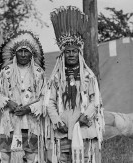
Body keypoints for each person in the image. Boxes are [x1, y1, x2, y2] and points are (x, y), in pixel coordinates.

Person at [44, 6, 104, 163]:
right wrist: (57, 121)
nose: (71, 54)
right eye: (68, 51)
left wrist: (86, 116)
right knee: (63, 159)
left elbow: (95, 101)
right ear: (62, 54)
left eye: (74, 51)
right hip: (63, 128)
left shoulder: (87, 76)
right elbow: (49, 102)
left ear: (79, 53)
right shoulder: (57, 77)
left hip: (84, 128)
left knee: (83, 159)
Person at [0, 30, 46, 163]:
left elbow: (44, 98)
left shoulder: (39, 73)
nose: (23, 54)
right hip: (9, 120)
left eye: (26, 51)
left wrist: (29, 109)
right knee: (5, 155)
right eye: (20, 51)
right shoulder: (6, 72)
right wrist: (8, 102)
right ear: (15, 53)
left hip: (30, 121)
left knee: (30, 155)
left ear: (31, 54)